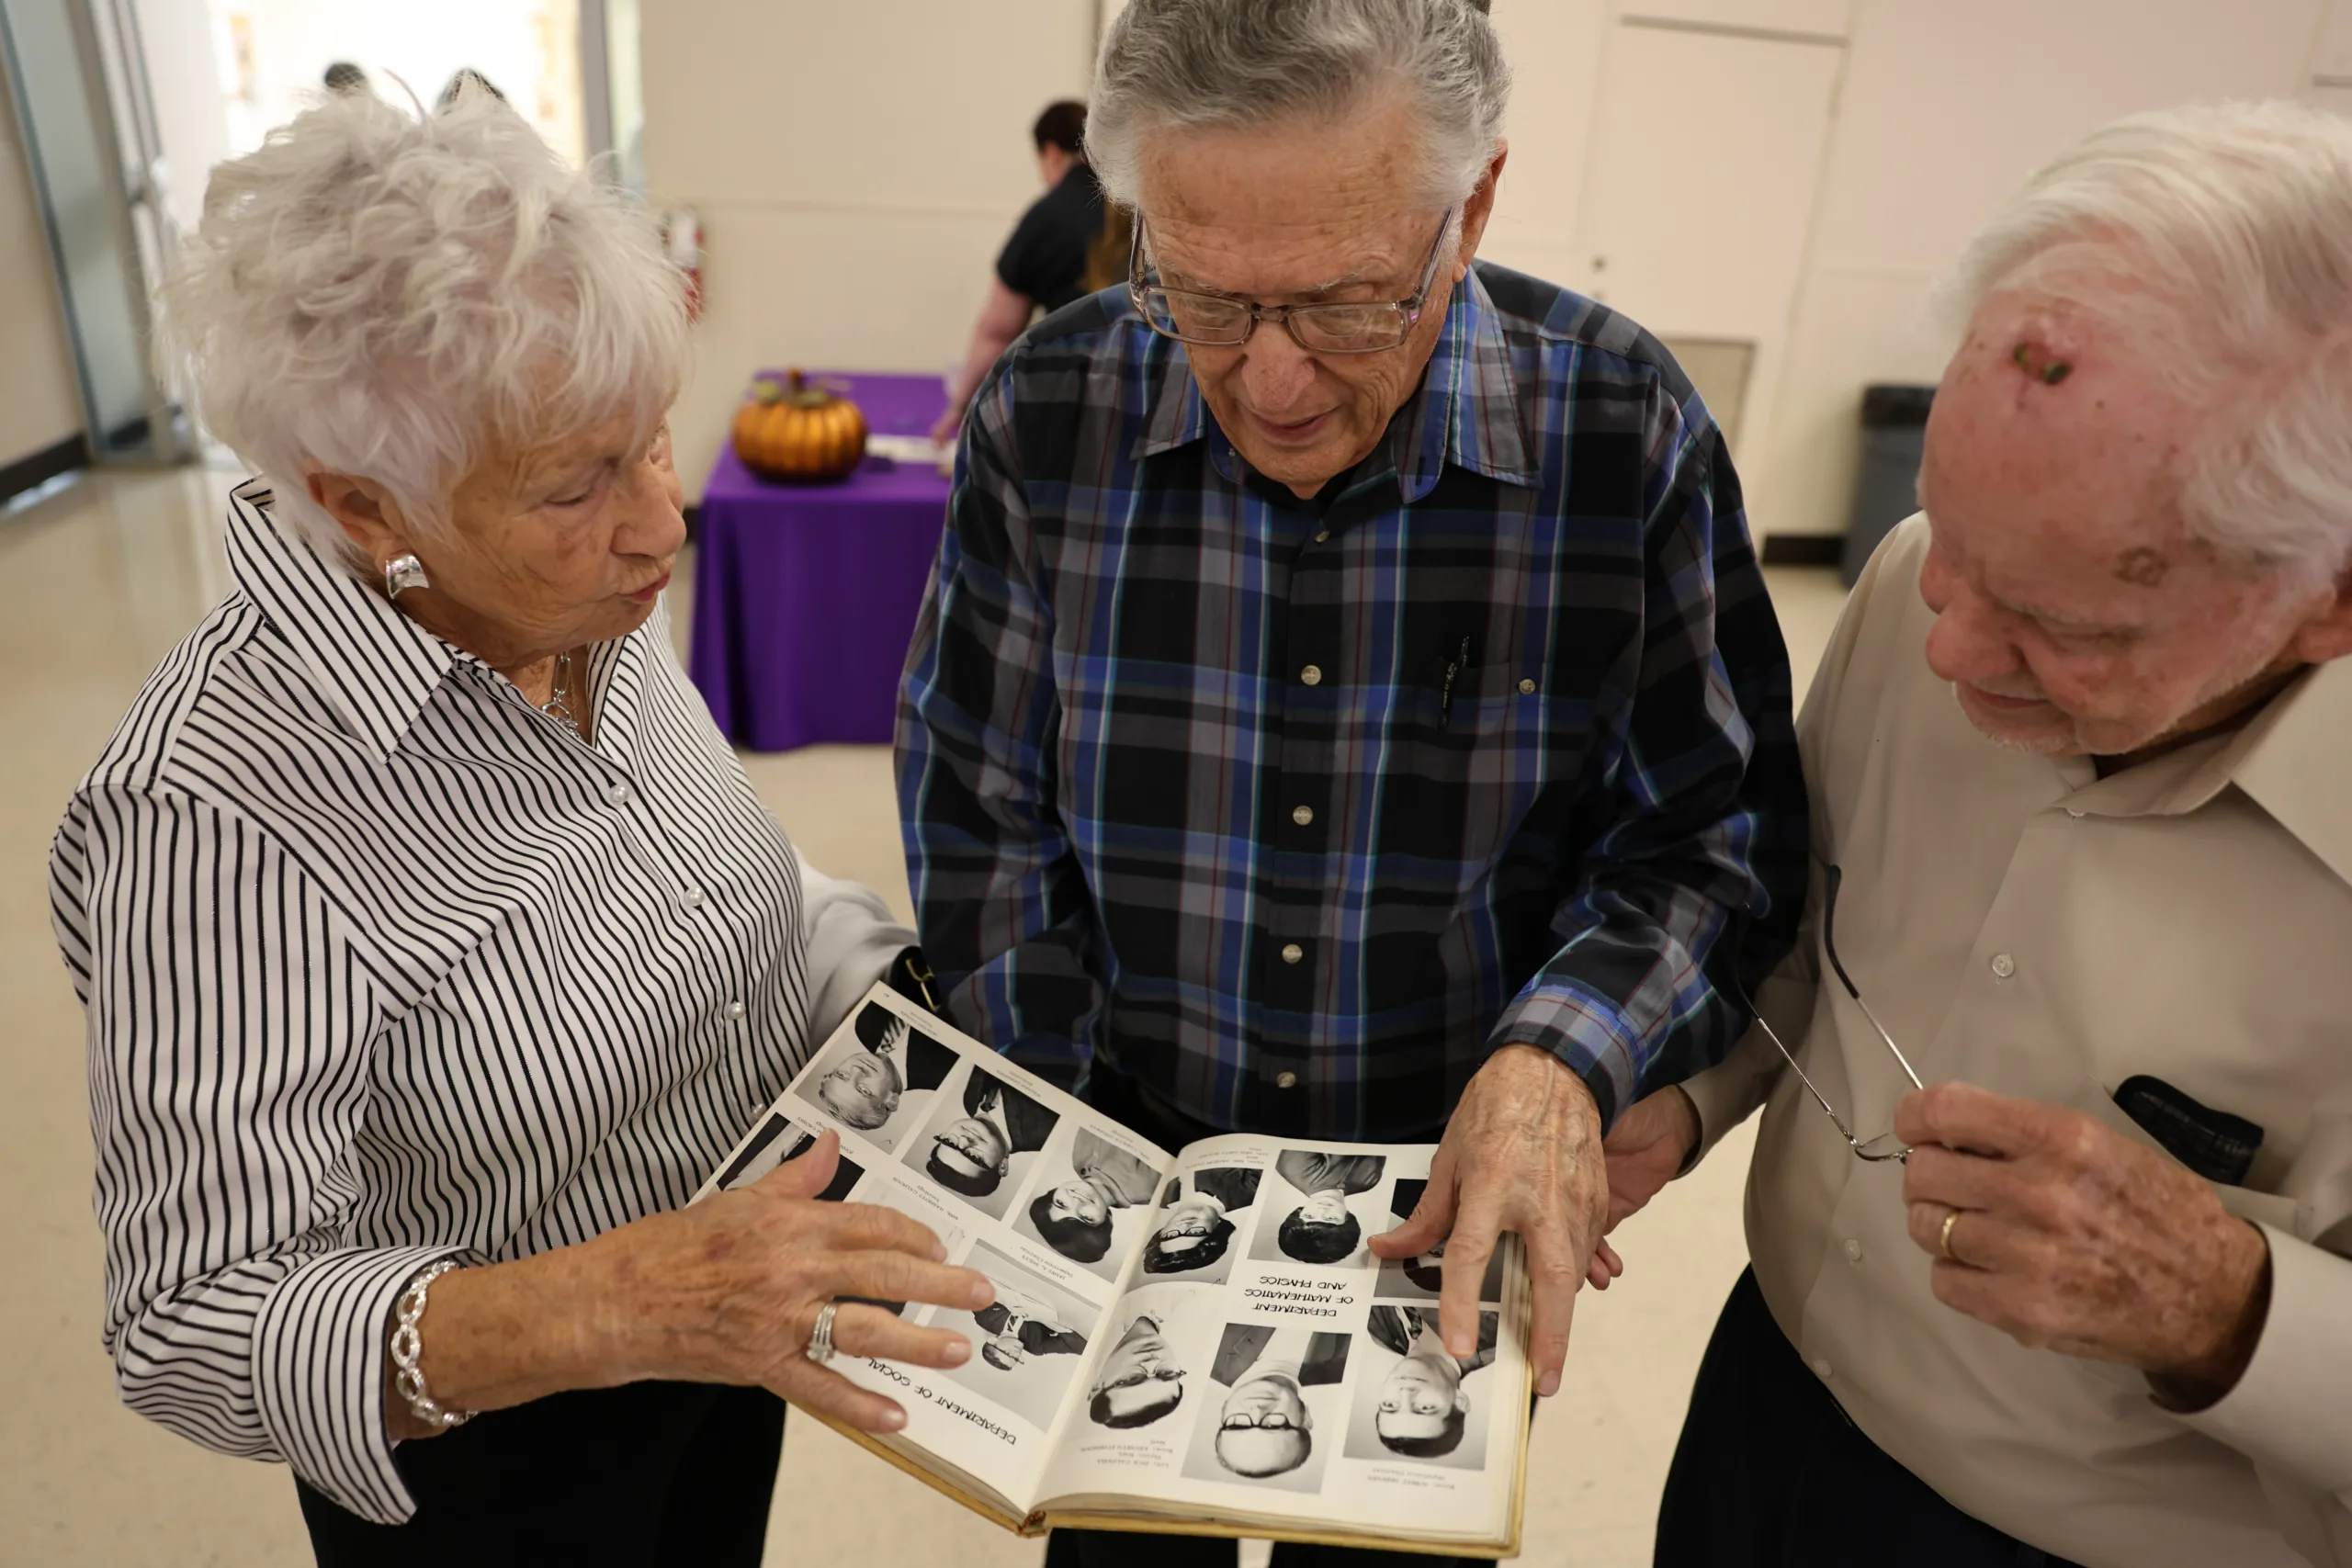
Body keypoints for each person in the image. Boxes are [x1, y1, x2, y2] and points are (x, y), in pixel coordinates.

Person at [47, 90, 996, 1564]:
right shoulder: (213, 809)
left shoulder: (580, 601)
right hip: (499, 1446)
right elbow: (193, 1317)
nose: (661, 523)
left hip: (726, 1325)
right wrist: (620, 1304)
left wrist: (915, 996)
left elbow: (716, 888)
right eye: (576, 484)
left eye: (652, 438)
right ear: (369, 509)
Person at [900, 12, 1804, 1553]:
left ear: (1476, 203)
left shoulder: (1619, 429)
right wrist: (1065, 1141)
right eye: (1203, 294)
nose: (1273, 380)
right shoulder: (1049, 413)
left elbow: (1712, 836)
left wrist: (1560, 1063)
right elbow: (979, 806)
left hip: (1445, 1181)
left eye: (1344, 301)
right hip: (1134, 1149)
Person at [1600, 101, 2352, 1568]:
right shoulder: (1913, 593)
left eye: (2068, 623)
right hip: (1768, 1402)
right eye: (1944, 534)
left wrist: (2232, 1309)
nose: (1946, 648)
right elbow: (1809, 932)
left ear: (2327, 597)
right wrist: (1677, 1099)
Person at [930, 99, 1107, 443]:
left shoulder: (1046, 218)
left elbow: (997, 330)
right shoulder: (1136, 206)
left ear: (1051, 153)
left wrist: (960, 406)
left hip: (1073, 403)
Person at [1209, 1325, 1350, 1480]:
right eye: (1273, 1426)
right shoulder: (1346, 1366)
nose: (1257, 1411)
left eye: (1238, 1426)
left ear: (1223, 1415)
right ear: (1306, 1420)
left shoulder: (1209, 1349)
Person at [1365, 1306, 1494, 1459]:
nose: (1405, 1392)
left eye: (1389, 1405)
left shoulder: (1380, 1332)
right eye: (1425, 1407)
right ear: (1460, 1401)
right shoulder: (1494, 1332)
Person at [814, 1000, 955, 1131]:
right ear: (892, 1101)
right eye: (864, 1090)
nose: (856, 1070)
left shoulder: (864, 1026)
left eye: (841, 1075)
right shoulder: (943, 1073)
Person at [1029, 1130, 1163, 1263]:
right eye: (1086, 1217)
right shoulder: (1152, 1189)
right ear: (1107, 1220)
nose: (1077, 1202)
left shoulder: (1078, 1160)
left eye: (1061, 1203)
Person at [924, 1065, 1057, 1198]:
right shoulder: (1047, 1130)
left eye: (950, 1142)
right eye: (975, 1157)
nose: (964, 1140)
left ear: (943, 1134)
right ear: (1002, 1166)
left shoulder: (970, 1101)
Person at [1271, 1149, 1384, 1265]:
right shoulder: (1368, 1182)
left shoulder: (1295, 1169)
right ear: (1348, 1219)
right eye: (1330, 1218)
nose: (1322, 1210)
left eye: (1309, 1215)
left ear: (1299, 1212)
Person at [1141, 1167, 1261, 1274]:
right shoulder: (1251, 1190)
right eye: (1195, 1232)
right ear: (1217, 1228)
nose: (1185, 1226)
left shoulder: (1151, 1194)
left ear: (1161, 1231)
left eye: (1171, 1235)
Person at [1088, 1314, 1188, 1428]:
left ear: (1097, 1387)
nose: (1152, 1362)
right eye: (1167, 1373)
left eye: (1132, 1378)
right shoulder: (1182, 1313)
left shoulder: (1084, 1329)